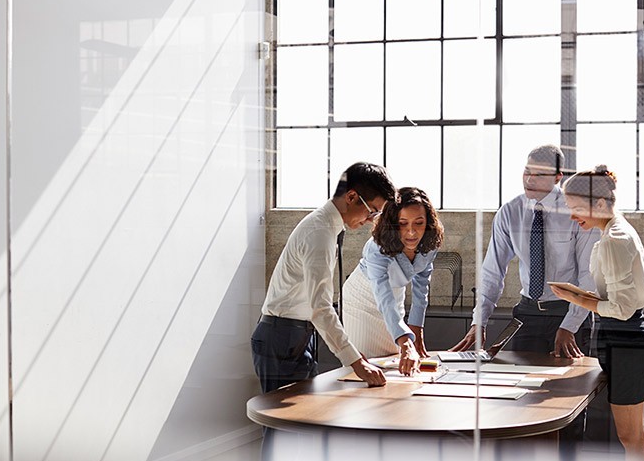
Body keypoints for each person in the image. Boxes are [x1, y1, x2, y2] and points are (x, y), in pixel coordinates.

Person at [550, 165, 644, 461]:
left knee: (631, 437)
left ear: (599, 204)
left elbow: (622, 308)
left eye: (576, 209)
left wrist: (576, 298)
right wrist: (579, 293)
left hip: (628, 339)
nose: (573, 217)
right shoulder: (613, 231)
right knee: (633, 436)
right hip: (622, 339)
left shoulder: (615, 238)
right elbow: (615, 295)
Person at [251, 161, 397, 393]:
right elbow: (320, 307)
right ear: (351, 197)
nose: (371, 220)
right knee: (283, 424)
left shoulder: (327, 228)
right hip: (282, 337)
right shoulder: (319, 233)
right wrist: (357, 363)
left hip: (296, 334)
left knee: (301, 421)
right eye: (372, 211)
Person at [452, 144, 599, 357]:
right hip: (527, 313)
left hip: (568, 311)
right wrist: (479, 322)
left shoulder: (577, 212)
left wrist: (570, 325)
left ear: (558, 177)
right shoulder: (510, 212)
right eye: (527, 171)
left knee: (568, 386)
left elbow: (588, 275)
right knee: (519, 381)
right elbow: (492, 272)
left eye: (539, 174)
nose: (529, 180)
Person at [343, 187, 444, 375]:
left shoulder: (430, 243)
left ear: (428, 223)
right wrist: (405, 340)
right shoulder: (377, 247)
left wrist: (416, 329)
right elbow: (382, 295)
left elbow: (422, 286)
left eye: (419, 223)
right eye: (403, 223)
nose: (411, 232)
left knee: (397, 365)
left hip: (394, 297)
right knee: (366, 369)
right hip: (362, 300)